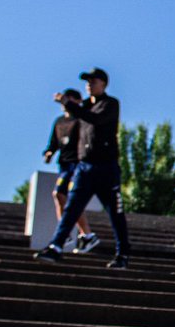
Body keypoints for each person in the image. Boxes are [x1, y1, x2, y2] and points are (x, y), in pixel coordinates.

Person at [35, 67, 132, 269]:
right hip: (84, 167)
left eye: (93, 81)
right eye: (87, 82)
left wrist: (68, 103)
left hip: (106, 168)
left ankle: (122, 254)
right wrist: (52, 150)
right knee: (72, 207)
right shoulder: (84, 107)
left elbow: (95, 119)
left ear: (103, 84)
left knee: (115, 213)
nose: (89, 85)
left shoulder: (110, 104)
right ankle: (56, 246)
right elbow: (68, 132)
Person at [42, 89, 100, 254]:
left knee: (70, 198)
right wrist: (49, 153)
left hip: (78, 163)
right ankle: (78, 233)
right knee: (60, 195)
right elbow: (53, 143)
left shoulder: (81, 119)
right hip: (64, 164)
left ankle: (79, 233)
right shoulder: (59, 121)